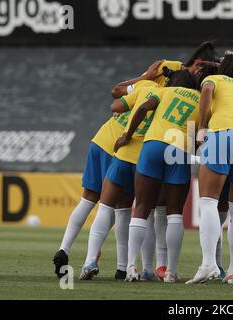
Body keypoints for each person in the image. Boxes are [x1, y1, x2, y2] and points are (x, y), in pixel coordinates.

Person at [52, 61, 163, 279]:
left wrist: (144, 76)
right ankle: (118, 266)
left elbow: (116, 93)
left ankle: (64, 248)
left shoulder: (142, 86)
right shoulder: (164, 95)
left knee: (87, 200)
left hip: (100, 139)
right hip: (121, 149)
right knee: (119, 207)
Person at [114, 70, 201, 283]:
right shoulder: (201, 99)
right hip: (179, 149)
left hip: (152, 144)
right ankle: (170, 272)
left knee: (142, 207)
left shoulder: (164, 91)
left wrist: (128, 135)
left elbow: (143, 107)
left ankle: (132, 267)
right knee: (174, 214)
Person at [186, 52, 233, 285]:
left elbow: (206, 91)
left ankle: (208, 264)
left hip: (222, 134)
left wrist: (202, 127)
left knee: (208, 201)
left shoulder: (214, 80)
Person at [79, 80, 160, 280]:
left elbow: (115, 105)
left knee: (106, 207)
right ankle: (129, 267)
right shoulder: (173, 96)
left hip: (124, 155)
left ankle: (90, 261)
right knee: (143, 215)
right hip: (145, 160)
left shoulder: (147, 88)